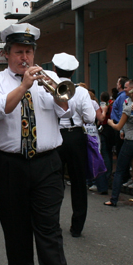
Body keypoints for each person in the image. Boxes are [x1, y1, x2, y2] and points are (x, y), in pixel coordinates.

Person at [0, 23, 87, 265]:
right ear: (6, 54)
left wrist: (54, 91)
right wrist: (24, 86)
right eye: (18, 52)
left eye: (28, 51)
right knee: (15, 226)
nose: (24, 58)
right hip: (8, 164)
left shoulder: (50, 77)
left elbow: (65, 109)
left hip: (47, 162)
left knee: (48, 226)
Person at [51, 53, 95, 237]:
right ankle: (77, 227)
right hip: (76, 136)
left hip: (55, 134)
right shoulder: (82, 91)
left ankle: (52, 223)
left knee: (53, 181)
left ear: (54, 69)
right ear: (73, 72)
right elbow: (91, 118)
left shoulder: (49, 87)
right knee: (78, 182)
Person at [105, 85, 133, 207]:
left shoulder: (129, 108)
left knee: (120, 170)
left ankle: (113, 199)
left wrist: (111, 123)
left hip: (130, 140)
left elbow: (118, 127)